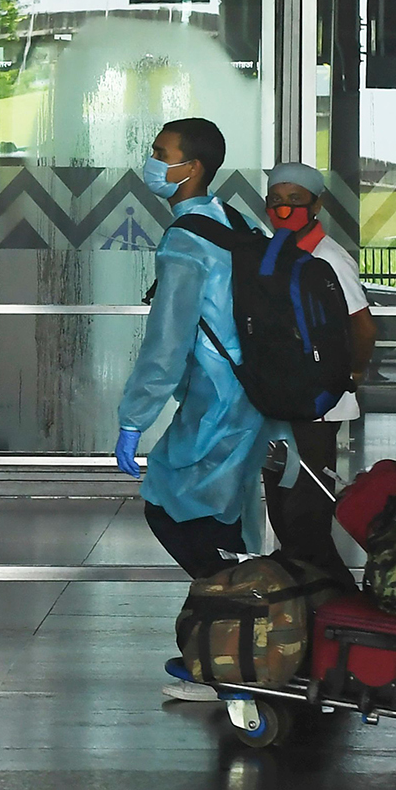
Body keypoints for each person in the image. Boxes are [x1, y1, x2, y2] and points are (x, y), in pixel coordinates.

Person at [113, 119, 277, 702]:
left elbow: (167, 340)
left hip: (215, 407)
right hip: (251, 400)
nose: (152, 163)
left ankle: (240, 655)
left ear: (192, 168)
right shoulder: (235, 223)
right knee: (223, 526)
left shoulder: (185, 240)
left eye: (162, 154)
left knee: (173, 512)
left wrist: (135, 416)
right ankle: (213, 653)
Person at [259, 162, 376, 591]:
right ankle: (308, 612)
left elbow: (363, 327)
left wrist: (352, 373)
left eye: (295, 202)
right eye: (277, 202)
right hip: (279, 404)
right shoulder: (273, 253)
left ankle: (340, 609)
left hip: (319, 406)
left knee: (306, 519)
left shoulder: (328, 258)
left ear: (317, 205)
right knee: (283, 513)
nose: (285, 211)